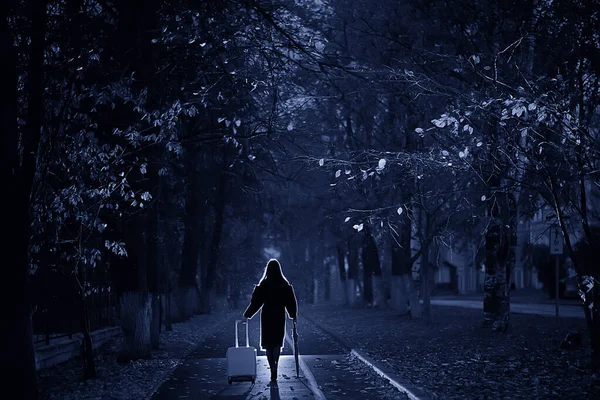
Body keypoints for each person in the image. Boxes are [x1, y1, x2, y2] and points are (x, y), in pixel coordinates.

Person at [244, 258, 298, 382]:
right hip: (279, 315)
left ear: (267, 270)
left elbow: (256, 302)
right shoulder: (284, 285)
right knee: (277, 343)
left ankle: (271, 366)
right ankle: (276, 366)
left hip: (267, 315)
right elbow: (291, 302)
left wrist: (247, 314)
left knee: (268, 344)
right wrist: (293, 315)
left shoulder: (264, 284)